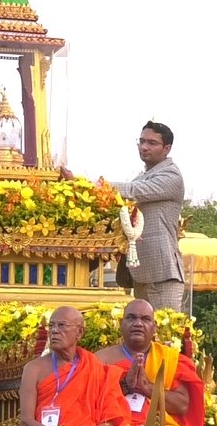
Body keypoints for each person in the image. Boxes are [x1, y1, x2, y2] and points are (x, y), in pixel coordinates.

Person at [60, 120, 185, 311]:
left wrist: (83, 183)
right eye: (142, 141)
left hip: (163, 273)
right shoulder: (145, 175)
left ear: (167, 148)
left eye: (152, 143)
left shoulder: (171, 176)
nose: (144, 147)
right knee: (144, 337)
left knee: (166, 336)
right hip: (141, 272)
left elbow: (133, 190)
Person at [95, 299, 204, 426]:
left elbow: (182, 405)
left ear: (154, 327)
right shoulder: (100, 360)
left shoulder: (169, 359)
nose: (138, 323)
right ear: (121, 324)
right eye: (131, 318)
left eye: (145, 319)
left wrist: (148, 388)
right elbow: (92, 403)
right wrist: (125, 385)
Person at [19, 306, 130, 426]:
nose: (55, 331)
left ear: (79, 332)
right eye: (52, 326)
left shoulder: (95, 367)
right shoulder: (33, 369)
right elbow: (25, 422)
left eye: (62, 325)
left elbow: (111, 421)